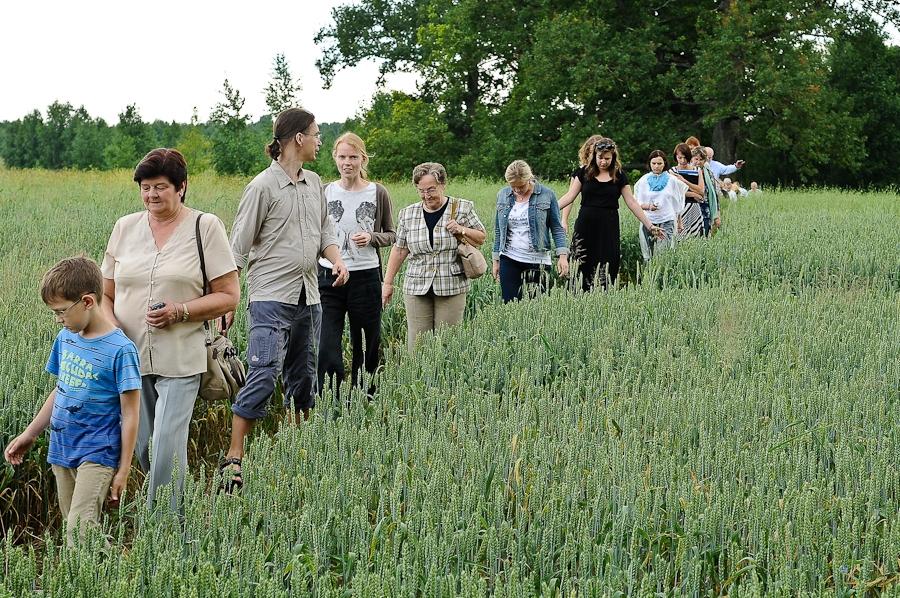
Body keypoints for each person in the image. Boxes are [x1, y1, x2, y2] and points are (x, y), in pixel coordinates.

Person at [102, 149, 239, 512]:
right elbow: (106, 294)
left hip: (182, 355)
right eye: (145, 188)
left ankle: (161, 529)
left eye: (160, 187)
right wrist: (113, 331)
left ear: (182, 187)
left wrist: (180, 311)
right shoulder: (124, 228)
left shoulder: (204, 227)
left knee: (165, 440)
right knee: (145, 445)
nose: (151, 196)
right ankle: (177, 501)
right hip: (129, 356)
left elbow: (229, 296)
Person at [223, 108, 347, 491]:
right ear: (297, 138)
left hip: (309, 296)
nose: (319, 141)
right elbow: (238, 247)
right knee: (263, 373)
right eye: (315, 134)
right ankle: (234, 459)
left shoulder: (314, 183)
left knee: (303, 376)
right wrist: (227, 300)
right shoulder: (262, 186)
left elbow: (324, 230)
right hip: (270, 297)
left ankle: (299, 450)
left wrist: (337, 259)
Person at [5, 257, 141, 544]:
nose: (58, 319)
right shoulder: (66, 339)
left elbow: (131, 414)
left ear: (88, 301)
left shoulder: (121, 350)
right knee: (76, 529)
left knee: (78, 531)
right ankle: (104, 576)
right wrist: (30, 433)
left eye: (62, 311)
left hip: (98, 451)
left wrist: (124, 470)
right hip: (62, 446)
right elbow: (62, 389)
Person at [317, 132, 395, 398]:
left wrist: (372, 237)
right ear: (335, 159)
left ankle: (365, 399)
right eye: (342, 157)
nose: (347, 162)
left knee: (366, 344)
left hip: (365, 277)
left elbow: (391, 234)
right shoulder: (325, 191)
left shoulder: (378, 192)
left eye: (353, 157)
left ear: (363, 159)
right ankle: (331, 401)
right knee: (327, 345)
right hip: (329, 277)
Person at [382, 162, 486, 351]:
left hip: (451, 284)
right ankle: (418, 379)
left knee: (447, 344)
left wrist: (461, 229)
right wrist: (387, 283)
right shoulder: (408, 213)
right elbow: (399, 250)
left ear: (443, 185)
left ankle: (446, 379)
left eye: (431, 189)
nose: (426, 195)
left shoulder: (462, 207)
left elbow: (481, 237)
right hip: (416, 285)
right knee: (417, 344)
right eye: (421, 190)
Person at [558, 137, 664, 291]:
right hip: (585, 227)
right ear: (594, 155)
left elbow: (632, 203)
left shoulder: (619, 176)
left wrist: (649, 225)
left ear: (613, 157)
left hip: (608, 227)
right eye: (600, 157)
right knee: (581, 265)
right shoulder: (583, 173)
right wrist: (548, 208)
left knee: (607, 266)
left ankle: (603, 300)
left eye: (607, 158)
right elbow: (569, 197)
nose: (603, 162)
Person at [492, 160, 569, 303]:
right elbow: (498, 230)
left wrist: (562, 256)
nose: (517, 190)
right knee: (510, 306)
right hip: (509, 258)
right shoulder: (502, 195)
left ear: (529, 178)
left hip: (537, 261)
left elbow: (557, 228)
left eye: (520, 186)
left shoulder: (547, 195)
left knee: (537, 307)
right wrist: (496, 260)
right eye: (513, 186)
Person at [633, 151, 687, 261]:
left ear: (664, 164)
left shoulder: (672, 180)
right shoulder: (643, 181)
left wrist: (679, 221)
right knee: (648, 253)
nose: (656, 166)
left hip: (667, 219)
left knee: (664, 253)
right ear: (649, 164)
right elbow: (635, 202)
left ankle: (663, 275)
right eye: (654, 163)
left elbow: (678, 201)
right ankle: (649, 276)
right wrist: (648, 206)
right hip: (648, 220)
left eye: (659, 163)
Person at [671, 143, 705, 240]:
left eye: (685, 158)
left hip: (694, 208)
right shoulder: (672, 171)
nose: (683, 161)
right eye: (680, 158)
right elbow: (674, 192)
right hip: (679, 207)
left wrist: (684, 181)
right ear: (676, 157)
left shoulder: (697, 170)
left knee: (695, 237)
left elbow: (702, 191)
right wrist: (693, 193)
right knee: (679, 237)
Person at [692, 146, 720, 235]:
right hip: (693, 206)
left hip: (706, 206)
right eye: (696, 159)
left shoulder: (708, 171)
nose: (698, 162)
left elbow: (713, 191)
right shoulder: (689, 171)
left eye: (701, 159)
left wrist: (717, 212)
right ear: (692, 159)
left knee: (706, 232)